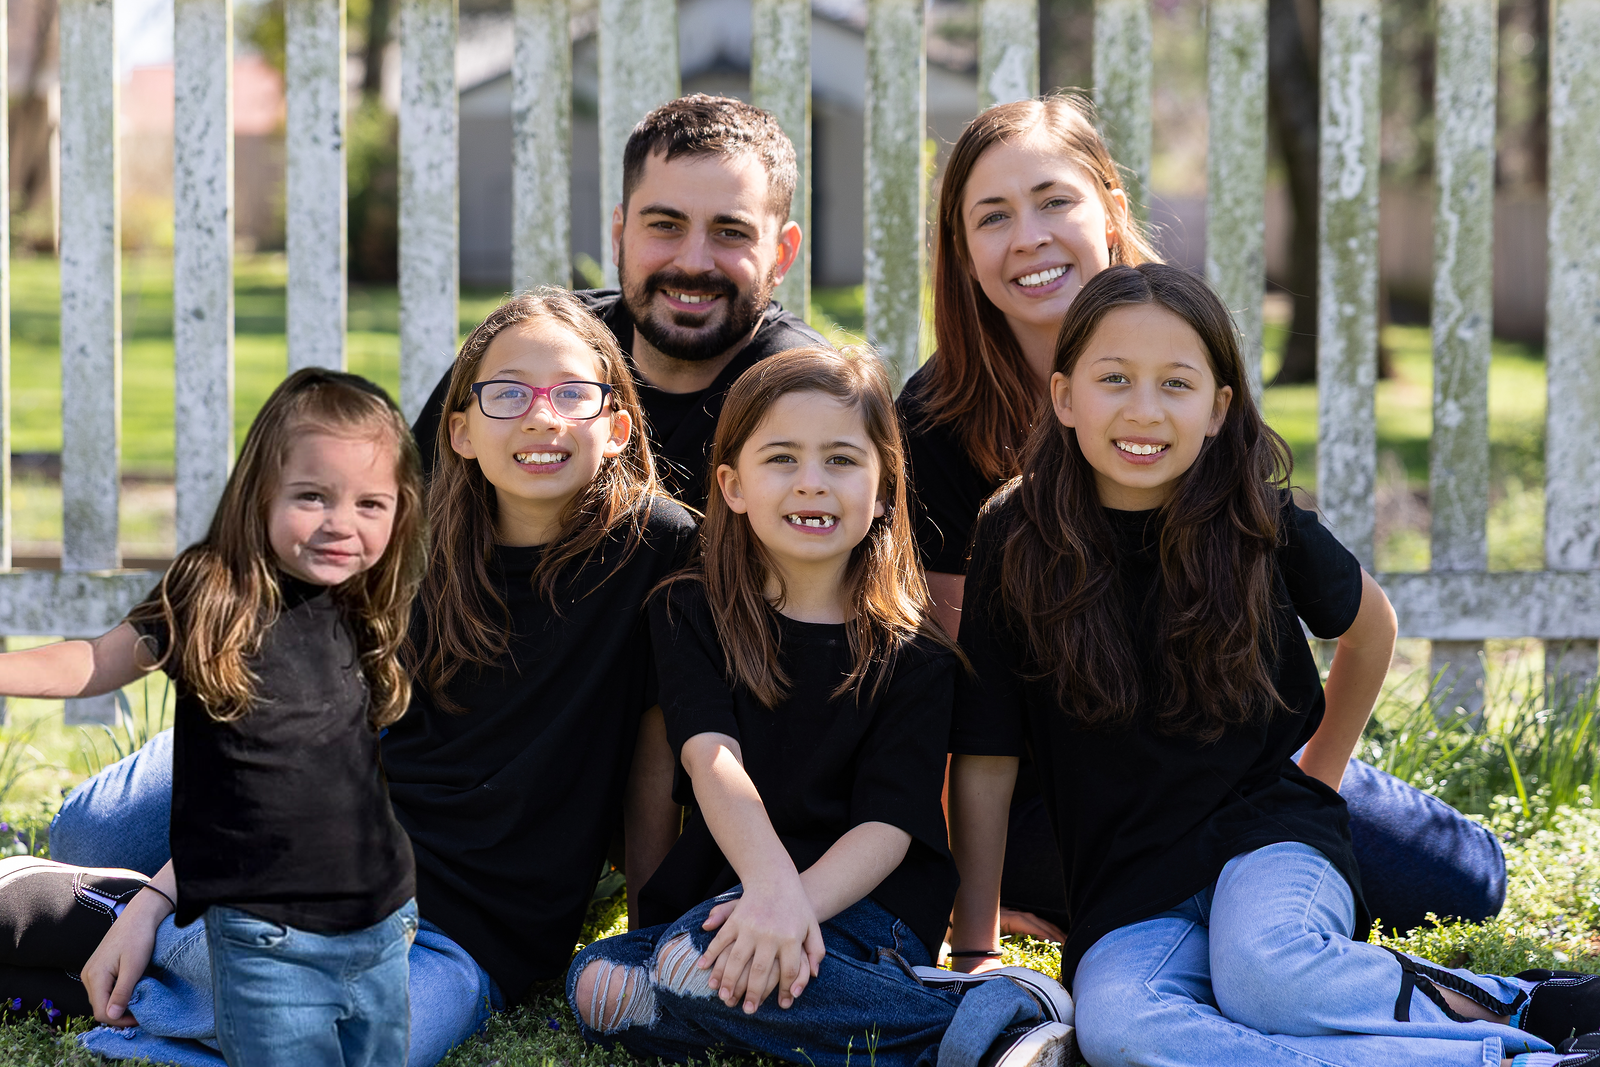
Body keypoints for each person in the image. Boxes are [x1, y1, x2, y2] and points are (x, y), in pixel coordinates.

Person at [946, 263, 1599, 1067]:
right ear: (1064, 397)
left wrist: (1316, 780)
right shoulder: (1013, 537)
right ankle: (1507, 1059)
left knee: (1264, 974)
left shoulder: (1254, 516)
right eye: (1113, 378)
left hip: (1268, 838)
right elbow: (983, 753)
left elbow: (1371, 629)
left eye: (1176, 384)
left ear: (1219, 408)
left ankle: (1517, 1002)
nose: (1144, 409)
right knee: (1119, 1024)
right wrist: (975, 938)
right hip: (1127, 886)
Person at [37, 291, 698, 1067]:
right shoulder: (413, 555)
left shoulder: (661, 549)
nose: (542, 417)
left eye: (571, 393)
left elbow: (658, 744)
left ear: (617, 425)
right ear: (459, 428)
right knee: (89, 830)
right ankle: (122, 911)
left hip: (469, 928)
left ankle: (89, 930)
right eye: (507, 392)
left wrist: (652, 936)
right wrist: (161, 893)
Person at [903, 94, 1504, 942]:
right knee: (1161, 908)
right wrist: (977, 903)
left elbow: (1322, 601)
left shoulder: (1179, 343)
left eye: (1054, 200)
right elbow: (962, 701)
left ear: (1109, 211)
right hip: (1069, 788)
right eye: (992, 216)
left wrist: (1315, 779)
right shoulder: (934, 426)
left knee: (1467, 880)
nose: (1029, 236)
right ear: (961, 252)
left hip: (1243, 758)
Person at [566, 346, 1075, 1067]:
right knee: (595, 982)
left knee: (690, 967)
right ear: (733, 485)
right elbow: (712, 759)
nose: (812, 484)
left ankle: (974, 1015)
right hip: (735, 894)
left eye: (841, 460)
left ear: (884, 488)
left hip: (869, 908)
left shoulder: (913, 654)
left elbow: (890, 828)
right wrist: (768, 890)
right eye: (782, 460)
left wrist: (791, 904)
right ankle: (959, 1022)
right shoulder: (691, 613)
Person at [0, 369, 428, 1066]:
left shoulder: (364, 604)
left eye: (371, 503)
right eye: (313, 496)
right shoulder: (213, 592)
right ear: (261, 494)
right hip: (263, 935)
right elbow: (97, 660)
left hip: (379, 925)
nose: (342, 523)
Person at [414, 93, 827, 511]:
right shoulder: (530, 353)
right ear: (618, 236)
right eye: (665, 225)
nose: (694, 263)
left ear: (782, 254)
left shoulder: (814, 396)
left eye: (731, 232)